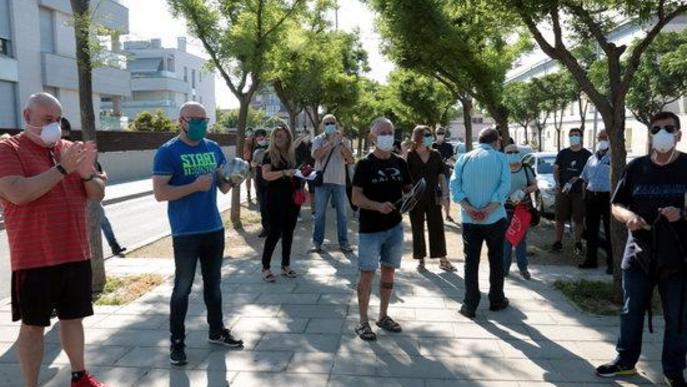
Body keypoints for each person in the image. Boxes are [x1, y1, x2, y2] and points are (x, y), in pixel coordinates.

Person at [0, 92, 106, 387]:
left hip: (75, 251)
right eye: (47, 120)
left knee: (74, 318)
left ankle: (80, 375)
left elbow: (97, 194)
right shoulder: (8, 149)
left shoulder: (71, 149)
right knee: (33, 326)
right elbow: (18, 193)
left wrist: (86, 176)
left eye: (58, 120)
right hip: (35, 257)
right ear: (27, 117)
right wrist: (62, 169)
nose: (54, 126)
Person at [596, 112, 687, 387]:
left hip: (677, 256)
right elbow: (616, 204)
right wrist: (629, 218)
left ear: (678, 134)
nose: (661, 133)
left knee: (677, 316)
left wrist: (682, 212)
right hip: (639, 252)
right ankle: (625, 361)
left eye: (668, 128)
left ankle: (673, 371)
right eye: (656, 129)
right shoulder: (636, 168)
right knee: (631, 309)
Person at [153, 101, 243, 367]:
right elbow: (160, 193)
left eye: (205, 120)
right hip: (185, 232)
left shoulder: (213, 148)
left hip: (213, 228)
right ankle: (177, 342)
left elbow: (223, 187)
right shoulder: (167, 152)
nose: (201, 124)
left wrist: (235, 178)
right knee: (182, 288)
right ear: (181, 121)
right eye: (196, 119)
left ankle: (216, 331)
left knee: (213, 285)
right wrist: (194, 186)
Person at [352, 117, 411, 341]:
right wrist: (377, 206)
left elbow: (408, 190)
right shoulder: (364, 164)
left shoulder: (400, 163)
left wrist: (411, 195)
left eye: (390, 132)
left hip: (394, 228)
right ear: (373, 137)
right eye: (382, 133)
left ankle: (383, 316)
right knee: (367, 273)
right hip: (370, 229)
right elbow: (356, 197)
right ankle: (362, 322)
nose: (387, 136)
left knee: (389, 270)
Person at [451, 127, 510, 319]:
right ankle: (496, 299)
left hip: (470, 219)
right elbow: (505, 186)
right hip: (495, 218)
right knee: (496, 258)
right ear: (496, 142)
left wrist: (468, 207)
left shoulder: (464, 158)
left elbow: (455, 185)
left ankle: (470, 303)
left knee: (471, 260)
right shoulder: (501, 158)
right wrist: (490, 208)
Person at [60, 117, 126, 256]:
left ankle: (114, 246)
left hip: (88, 194)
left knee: (103, 221)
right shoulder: (60, 152)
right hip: (73, 199)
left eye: (65, 129)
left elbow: (96, 171)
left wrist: (97, 176)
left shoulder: (74, 148)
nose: (64, 133)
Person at [406, 125, 453, 272]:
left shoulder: (435, 154)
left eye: (429, 135)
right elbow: (405, 178)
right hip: (416, 198)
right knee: (417, 227)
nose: (429, 137)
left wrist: (445, 194)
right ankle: (421, 260)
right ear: (418, 137)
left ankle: (443, 259)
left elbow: (441, 176)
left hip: (433, 196)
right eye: (426, 135)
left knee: (437, 227)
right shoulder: (409, 155)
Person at [260, 125, 302, 282]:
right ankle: (266, 267)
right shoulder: (268, 154)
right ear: (272, 137)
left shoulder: (291, 154)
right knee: (274, 233)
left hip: (291, 199)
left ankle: (286, 265)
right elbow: (266, 175)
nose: (279, 139)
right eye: (276, 136)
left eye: (282, 136)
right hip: (274, 199)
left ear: (288, 138)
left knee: (289, 232)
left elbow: (295, 174)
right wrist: (284, 172)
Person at [311, 114, 354, 253]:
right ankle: (317, 242)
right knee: (320, 214)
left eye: (332, 122)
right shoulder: (318, 139)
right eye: (327, 123)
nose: (330, 124)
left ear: (336, 124)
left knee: (342, 214)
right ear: (323, 125)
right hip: (323, 182)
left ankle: (344, 243)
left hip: (339, 182)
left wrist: (340, 143)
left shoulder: (344, 140)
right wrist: (329, 144)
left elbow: (350, 159)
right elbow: (316, 156)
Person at [552, 128, 592, 256]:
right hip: (563, 191)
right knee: (559, 218)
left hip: (579, 192)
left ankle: (578, 243)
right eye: (571, 135)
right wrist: (558, 183)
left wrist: (580, 178)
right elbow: (556, 169)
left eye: (576, 135)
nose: (574, 137)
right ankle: (558, 242)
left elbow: (591, 174)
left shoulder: (587, 155)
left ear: (581, 137)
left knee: (578, 219)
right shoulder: (563, 153)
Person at [503, 144, 538, 280]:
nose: (512, 154)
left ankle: (523, 268)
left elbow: (535, 185)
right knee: (506, 239)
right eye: (509, 152)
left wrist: (525, 190)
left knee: (521, 240)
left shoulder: (526, 169)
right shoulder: (502, 170)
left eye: (515, 152)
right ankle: (504, 268)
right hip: (506, 209)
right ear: (505, 155)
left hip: (522, 209)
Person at [579, 129, 613, 273]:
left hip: (608, 197)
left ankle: (612, 263)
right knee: (591, 231)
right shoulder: (591, 159)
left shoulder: (614, 158)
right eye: (600, 138)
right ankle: (591, 260)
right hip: (591, 196)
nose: (602, 140)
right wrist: (584, 197)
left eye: (605, 138)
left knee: (609, 230)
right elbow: (584, 179)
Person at [432, 127, 455, 222]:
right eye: (438, 133)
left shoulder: (449, 146)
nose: (440, 134)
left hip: (445, 173)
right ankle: (435, 214)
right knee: (434, 195)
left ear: (445, 134)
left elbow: (452, 159)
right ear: (435, 133)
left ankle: (447, 215)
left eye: (442, 133)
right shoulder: (432, 145)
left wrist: (449, 161)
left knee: (446, 195)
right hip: (433, 174)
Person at [251, 129, 270, 238]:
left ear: (265, 137)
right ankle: (265, 228)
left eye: (261, 137)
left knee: (272, 204)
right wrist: (253, 164)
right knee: (262, 205)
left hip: (270, 178)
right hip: (260, 179)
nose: (259, 139)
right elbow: (252, 163)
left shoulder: (271, 147)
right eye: (257, 137)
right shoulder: (256, 148)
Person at [294, 127, 316, 218]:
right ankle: (298, 213)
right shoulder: (298, 144)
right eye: (303, 133)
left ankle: (314, 212)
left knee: (313, 192)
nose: (305, 135)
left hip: (311, 171)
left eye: (307, 133)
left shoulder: (313, 144)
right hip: (300, 171)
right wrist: (298, 140)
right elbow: (292, 148)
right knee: (299, 191)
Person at [242, 127, 255, 203]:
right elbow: (243, 151)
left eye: (250, 132)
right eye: (248, 132)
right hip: (247, 162)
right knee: (248, 179)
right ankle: (248, 194)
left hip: (255, 162)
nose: (249, 134)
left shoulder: (255, 141)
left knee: (256, 179)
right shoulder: (244, 141)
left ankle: (257, 194)